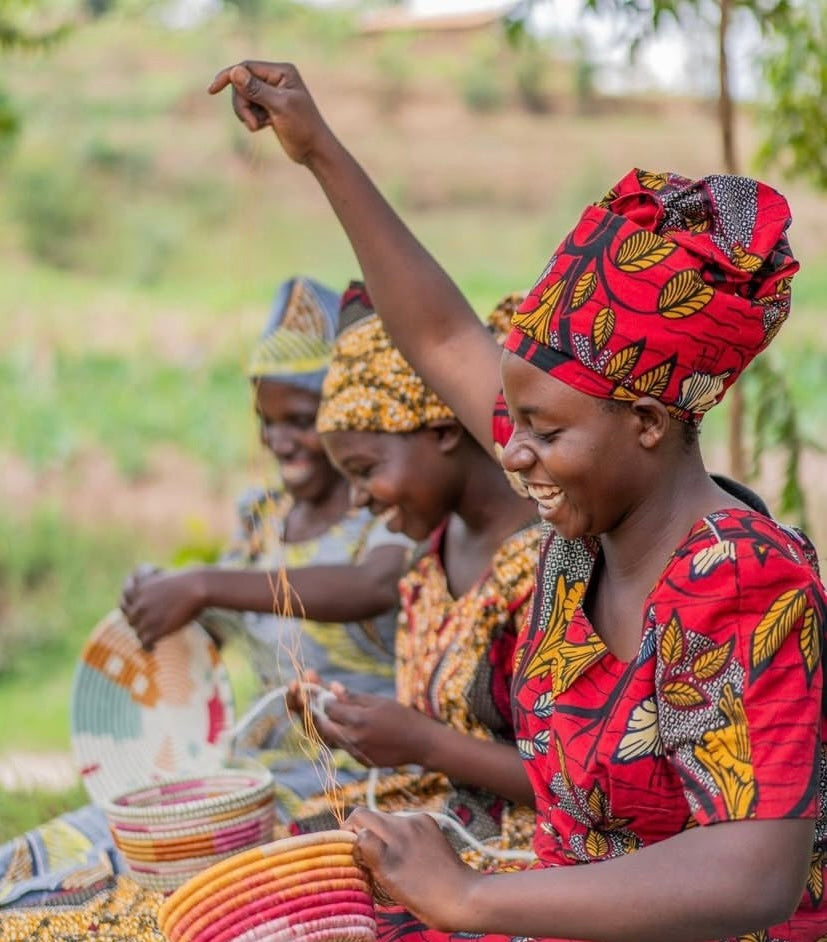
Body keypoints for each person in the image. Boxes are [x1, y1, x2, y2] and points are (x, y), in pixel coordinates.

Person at [210, 60, 827, 941]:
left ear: (648, 421)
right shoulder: (586, 527)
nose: (512, 449)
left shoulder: (737, 577)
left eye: (541, 429)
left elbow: (750, 872)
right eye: (512, 419)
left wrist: (467, 898)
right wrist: (318, 153)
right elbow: (438, 334)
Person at [119, 274, 412, 814]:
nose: (277, 441)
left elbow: (371, 586)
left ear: (349, 417)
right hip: (261, 773)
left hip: (361, 784)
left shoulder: (387, 514)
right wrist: (166, 599)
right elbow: (223, 619)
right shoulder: (262, 517)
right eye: (265, 420)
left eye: (300, 421)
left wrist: (204, 583)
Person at [284, 282, 541, 865]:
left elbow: (583, 785)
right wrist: (347, 721)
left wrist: (423, 743)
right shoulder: (427, 566)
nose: (357, 501)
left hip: (533, 853)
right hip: (448, 816)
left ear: (443, 430)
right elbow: (434, 732)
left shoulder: (558, 563)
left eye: (365, 469)